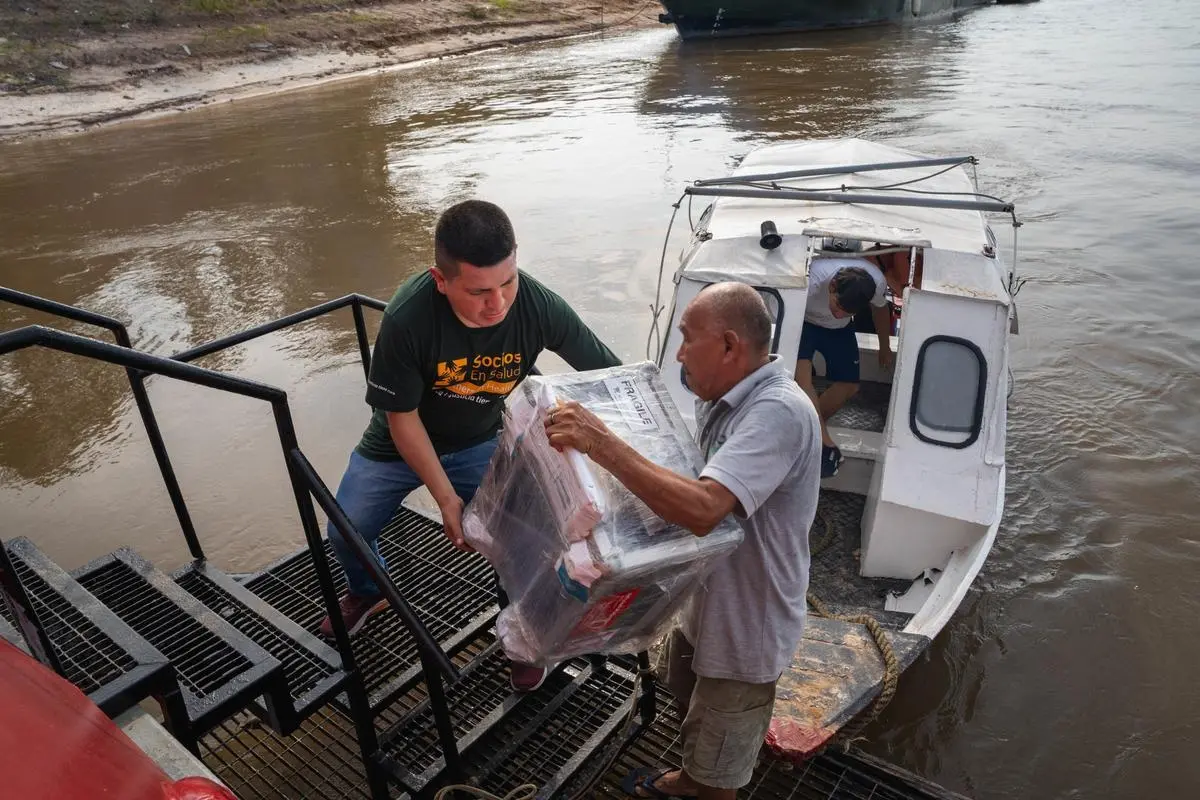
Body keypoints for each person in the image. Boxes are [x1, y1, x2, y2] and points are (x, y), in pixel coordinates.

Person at [320, 199, 621, 693]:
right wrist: (446, 499)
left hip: (483, 438)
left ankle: (524, 637)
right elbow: (402, 418)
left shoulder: (538, 306)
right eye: (479, 291)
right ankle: (367, 591)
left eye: (508, 282)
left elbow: (607, 374)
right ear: (441, 281)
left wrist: (634, 456)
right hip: (399, 443)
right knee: (345, 530)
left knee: (522, 540)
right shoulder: (408, 318)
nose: (498, 303)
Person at [544, 282, 821, 800]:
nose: (678, 353)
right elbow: (688, 484)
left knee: (723, 749)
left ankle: (705, 786)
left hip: (747, 620)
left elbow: (702, 509)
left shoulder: (777, 413)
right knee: (692, 700)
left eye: (688, 338)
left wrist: (599, 440)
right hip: (709, 596)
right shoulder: (724, 399)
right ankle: (690, 779)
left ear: (730, 346)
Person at [795, 252, 892, 479]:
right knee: (803, 381)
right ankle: (821, 440)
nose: (838, 312)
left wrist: (885, 346)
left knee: (850, 385)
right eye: (837, 305)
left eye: (847, 312)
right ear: (833, 287)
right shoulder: (810, 280)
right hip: (803, 321)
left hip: (839, 330)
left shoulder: (876, 282)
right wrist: (829, 443)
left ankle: (807, 431)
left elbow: (880, 308)